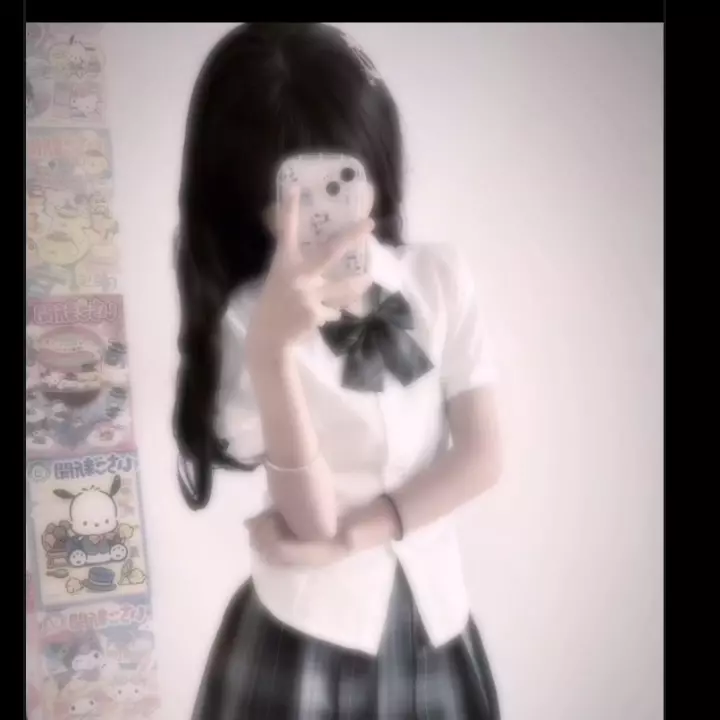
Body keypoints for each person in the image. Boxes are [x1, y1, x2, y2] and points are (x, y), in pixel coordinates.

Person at [174, 22, 503, 719]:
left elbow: (482, 456)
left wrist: (359, 535)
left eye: (340, 179)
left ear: (375, 158)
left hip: (436, 615)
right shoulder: (248, 322)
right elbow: (311, 520)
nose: (320, 211)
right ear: (250, 200)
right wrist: (272, 353)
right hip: (305, 630)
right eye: (291, 190)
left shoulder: (439, 279)